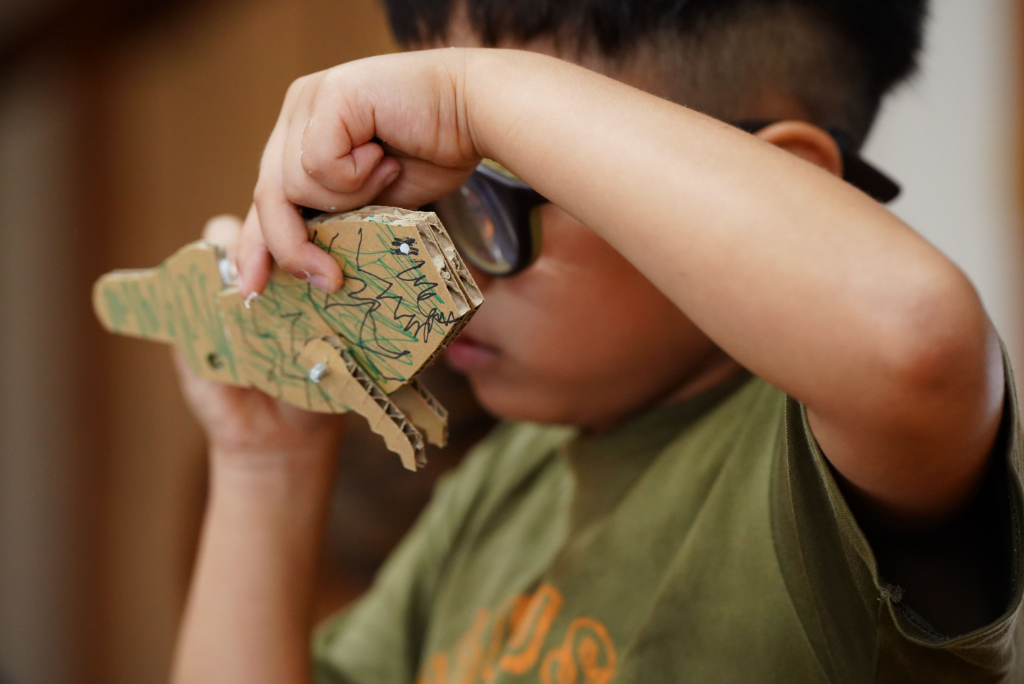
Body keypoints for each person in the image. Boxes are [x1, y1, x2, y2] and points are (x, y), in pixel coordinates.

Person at [169, 1, 1024, 682]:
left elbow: (913, 338)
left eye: (487, 198)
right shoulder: (499, 495)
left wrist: (470, 96)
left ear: (783, 180)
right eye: (416, 208)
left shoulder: (810, 479)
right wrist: (264, 464)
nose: (437, 269)